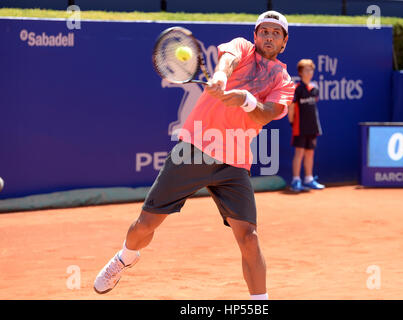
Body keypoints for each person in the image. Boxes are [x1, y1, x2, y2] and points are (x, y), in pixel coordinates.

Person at [93, 11, 295, 300]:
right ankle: (126, 256)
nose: (269, 36)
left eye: (276, 33)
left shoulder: (283, 80)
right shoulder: (240, 47)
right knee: (145, 225)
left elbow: (268, 113)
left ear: (284, 42)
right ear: (255, 35)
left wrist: (246, 99)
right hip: (195, 149)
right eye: (264, 31)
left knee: (249, 237)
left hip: (234, 161)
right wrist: (223, 76)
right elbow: (228, 60)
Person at [288, 59, 325, 192]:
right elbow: (291, 108)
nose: (309, 72)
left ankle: (309, 179)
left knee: (310, 153)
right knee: (300, 153)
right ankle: (296, 180)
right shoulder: (297, 89)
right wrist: (292, 122)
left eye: (311, 70)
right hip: (300, 127)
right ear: (300, 72)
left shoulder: (315, 88)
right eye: (306, 70)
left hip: (313, 126)